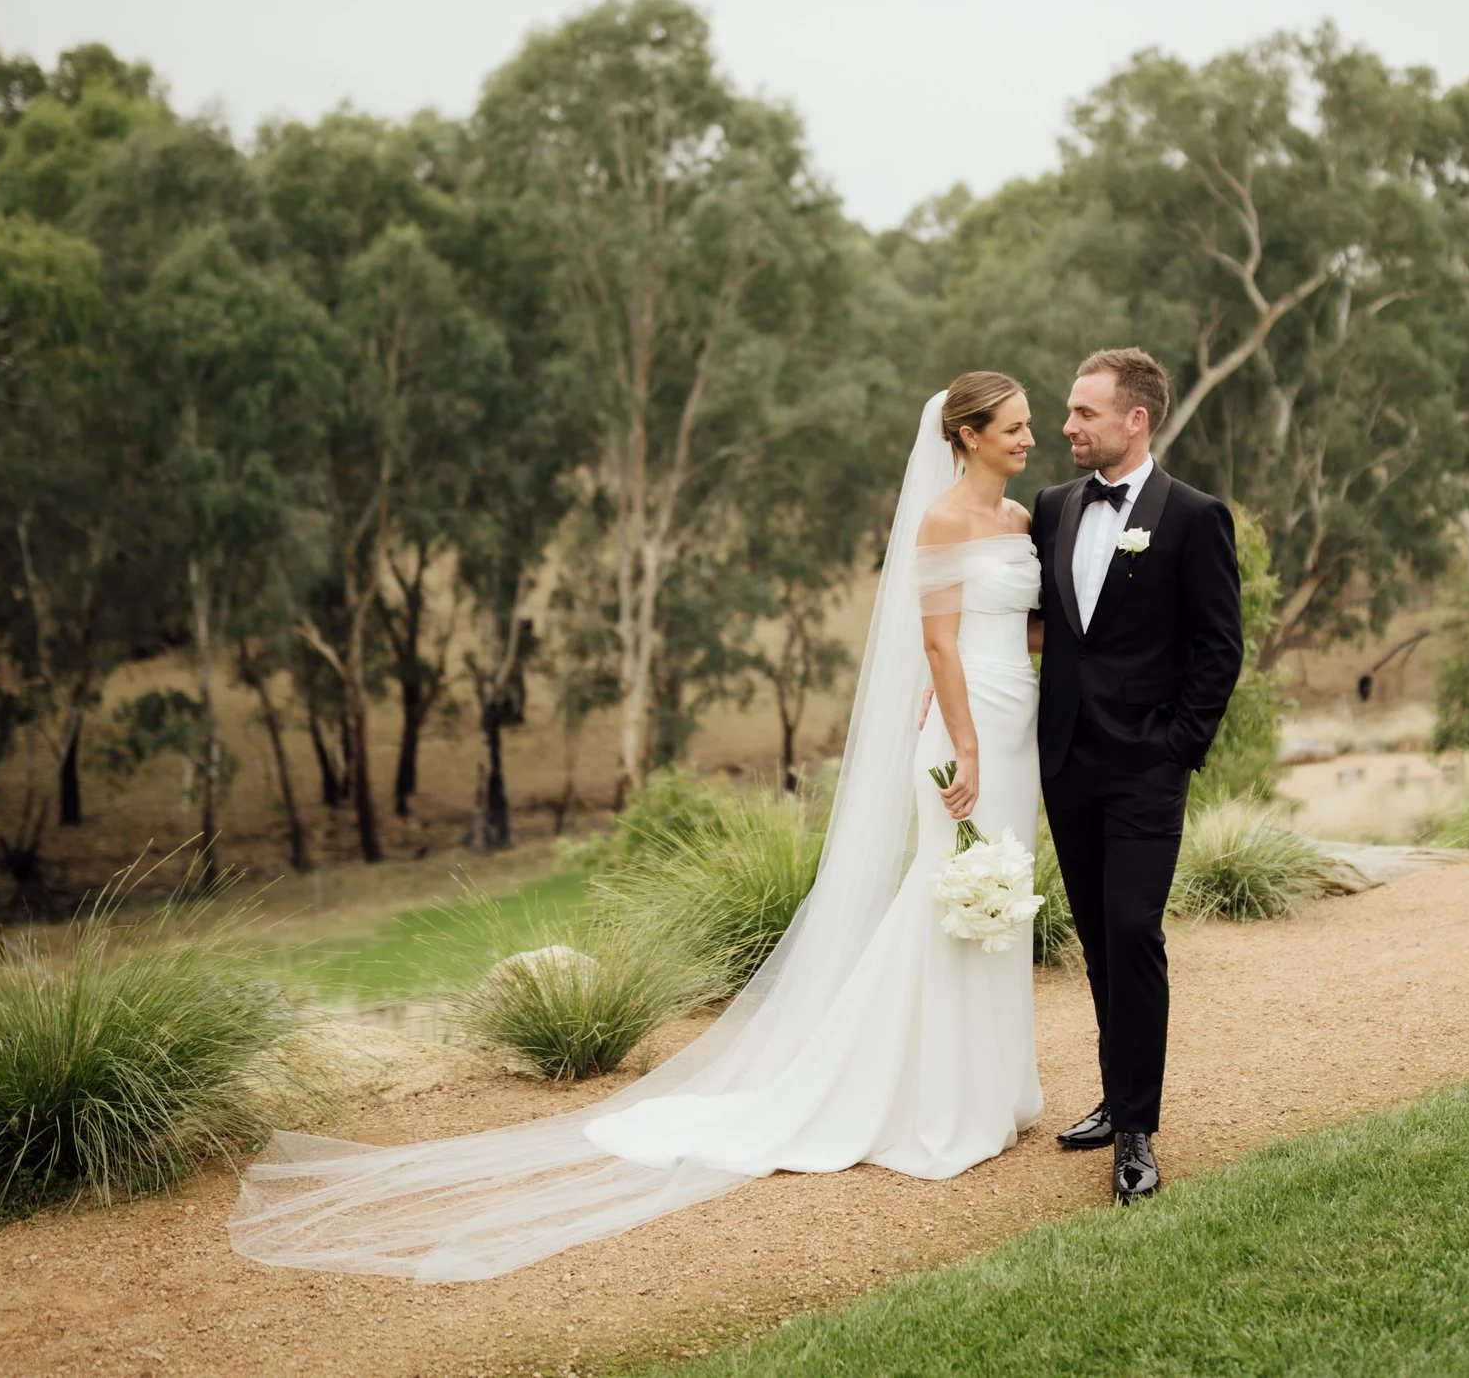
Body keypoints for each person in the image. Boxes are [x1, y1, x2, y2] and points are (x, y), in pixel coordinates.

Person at [229, 375, 1047, 1281]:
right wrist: (962, 748)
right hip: (966, 736)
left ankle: (996, 1088)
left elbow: (1019, 627)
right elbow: (936, 645)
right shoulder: (939, 523)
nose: (1029, 438)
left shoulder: (1016, 521)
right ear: (966, 434)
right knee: (947, 897)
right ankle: (933, 1101)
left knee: (999, 896)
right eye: (1013, 426)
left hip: (1019, 726)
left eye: (1029, 425)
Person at [1031, 347, 1244, 1203]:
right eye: (1069, 411)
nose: (1068, 425)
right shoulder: (1051, 508)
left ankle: (1137, 1133)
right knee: (1097, 939)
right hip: (1067, 762)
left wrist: (1177, 746)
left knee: (1134, 931)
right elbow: (1049, 627)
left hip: (1147, 769)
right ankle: (1115, 1096)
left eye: (1084, 412)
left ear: (1135, 419)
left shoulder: (1193, 516)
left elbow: (1218, 647)